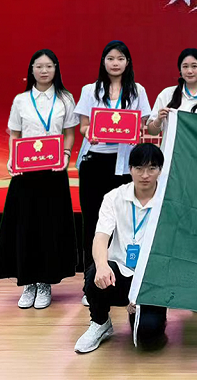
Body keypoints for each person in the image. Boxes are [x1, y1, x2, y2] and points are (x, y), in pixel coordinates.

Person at [0, 49, 78, 309]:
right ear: (31, 70)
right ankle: (28, 283)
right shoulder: (21, 100)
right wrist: (12, 158)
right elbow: (15, 134)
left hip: (53, 172)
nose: (44, 70)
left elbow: (70, 133)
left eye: (49, 66)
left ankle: (45, 283)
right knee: (25, 226)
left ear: (56, 68)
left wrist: (66, 155)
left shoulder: (65, 98)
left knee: (49, 226)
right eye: (39, 66)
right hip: (26, 173)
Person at [75, 41, 151, 302]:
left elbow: (143, 126)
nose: (115, 63)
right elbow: (83, 126)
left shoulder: (137, 91)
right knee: (92, 223)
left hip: (123, 165)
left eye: (120, 58)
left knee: (122, 223)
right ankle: (91, 283)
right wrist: (91, 133)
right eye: (110, 58)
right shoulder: (90, 90)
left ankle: (122, 281)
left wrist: (142, 126)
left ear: (128, 62)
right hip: (94, 162)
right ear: (103, 62)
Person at [75, 143, 168, 353]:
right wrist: (101, 265)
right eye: (139, 168)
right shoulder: (114, 197)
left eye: (152, 168)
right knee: (94, 274)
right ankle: (100, 323)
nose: (145, 175)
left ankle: (142, 313)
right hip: (120, 273)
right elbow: (100, 237)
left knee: (148, 337)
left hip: (152, 278)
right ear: (130, 168)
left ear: (160, 170)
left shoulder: (168, 200)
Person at [147, 48, 197, 143]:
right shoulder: (167, 94)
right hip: (172, 151)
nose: (189, 71)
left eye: (194, 66)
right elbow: (152, 132)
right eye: (185, 66)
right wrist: (158, 120)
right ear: (180, 69)